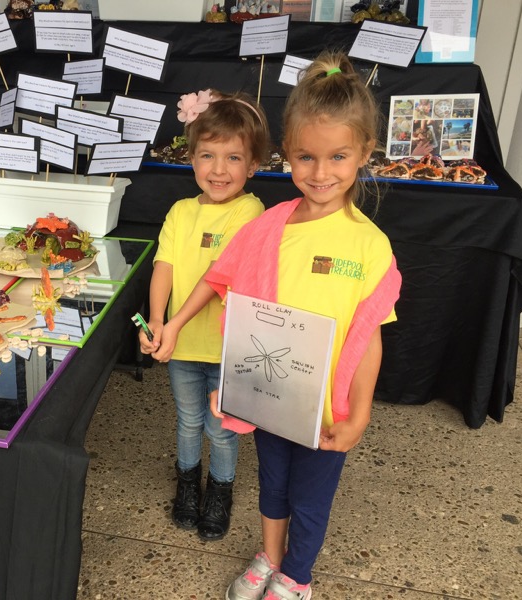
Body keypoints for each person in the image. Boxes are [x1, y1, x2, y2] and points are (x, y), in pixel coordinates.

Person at [155, 50, 402, 598]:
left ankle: (297, 576)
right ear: (287, 154)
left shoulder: (368, 246)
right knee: (273, 484)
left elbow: (369, 337)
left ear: (364, 152)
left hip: (327, 408)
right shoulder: (269, 229)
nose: (320, 173)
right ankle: (270, 557)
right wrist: (173, 325)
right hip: (270, 396)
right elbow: (218, 279)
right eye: (306, 157)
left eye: (338, 156)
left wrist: (359, 412)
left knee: (311, 498)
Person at [138, 89, 270, 541]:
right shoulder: (179, 211)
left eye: (233, 158)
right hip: (182, 346)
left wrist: (171, 324)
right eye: (207, 155)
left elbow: (219, 276)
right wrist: (158, 319)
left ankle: (221, 490)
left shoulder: (251, 212)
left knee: (221, 429)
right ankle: (188, 484)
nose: (218, 170)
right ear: (190, 158)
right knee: (189, 420)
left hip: (227, 348)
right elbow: (164, 267)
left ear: (252, 166)